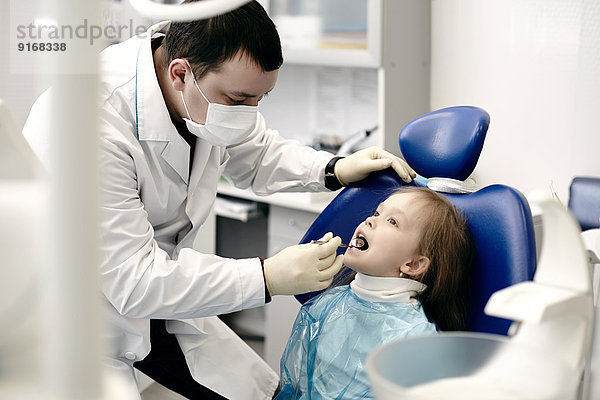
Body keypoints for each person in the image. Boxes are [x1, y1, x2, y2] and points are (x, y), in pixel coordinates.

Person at [22, 1, 416, 399]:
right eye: (238, 100)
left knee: (262, 393)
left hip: (158, 289)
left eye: (259, 100)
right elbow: (134, 280)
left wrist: (333, 168)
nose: (249, 113)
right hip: (75, 315)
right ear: (180, 73)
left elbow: (256, 151)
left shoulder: (203, 89)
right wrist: (266, 277)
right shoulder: (93, 125)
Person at [276, 186, 473, 399]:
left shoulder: (416, 341)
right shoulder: (327, 305)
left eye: (393, 221)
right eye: (377, 213)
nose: (370, 220)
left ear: (413, 264)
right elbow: (298, 387)